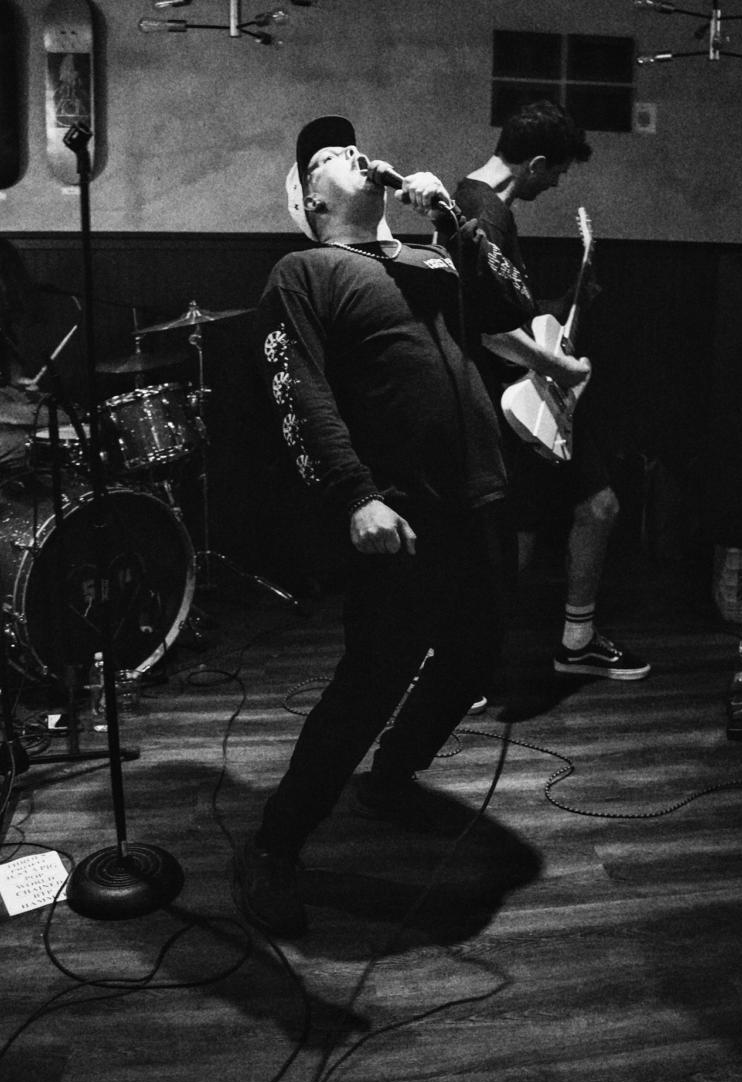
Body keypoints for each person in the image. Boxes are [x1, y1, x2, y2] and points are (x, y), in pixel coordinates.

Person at [239, 115, 535, 937]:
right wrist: (353, 497)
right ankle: (275, 845)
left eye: (353, 145)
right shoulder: (305, 270)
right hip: (400, 509)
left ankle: (393, 778)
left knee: (478, 651)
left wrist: (449, 216)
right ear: (310, 202)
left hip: (478, 498)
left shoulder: (431, 258)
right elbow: (298, 393)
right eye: (329, 158)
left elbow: (512, 305)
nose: (353, 154)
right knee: (372, 678)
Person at [451, 100, 650, 682]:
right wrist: (563, 369)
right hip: (513, 398)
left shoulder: (478, 203)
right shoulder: (486, 216)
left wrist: (566, 303)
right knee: (553, 521)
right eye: (557, 171)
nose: (558, 182)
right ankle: (471, 663)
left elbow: (505, 311)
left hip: (517, 396)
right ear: (535, 164)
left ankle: (548, 647)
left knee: (571, 514)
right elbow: (490, 332)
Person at [0, 228, 50, 485]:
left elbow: (7, 380)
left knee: (70, 424)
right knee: (32, 447)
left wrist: (19, 388)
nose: (11, 287)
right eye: (4, 277)